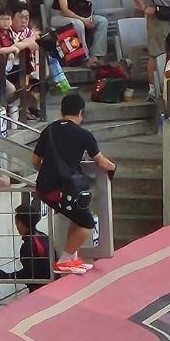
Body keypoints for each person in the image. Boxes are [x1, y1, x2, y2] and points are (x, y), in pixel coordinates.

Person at [32, 94, 118, 275]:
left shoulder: (48, 131)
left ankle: (71, 259)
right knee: (86, 222)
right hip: (61, 189)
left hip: (44, 187)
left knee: (78, 216)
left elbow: (34, 161)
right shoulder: (84, 135)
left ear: (61, 111)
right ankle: (64, 261)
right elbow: (101, 162)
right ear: (80, 112)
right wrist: (114, 167)